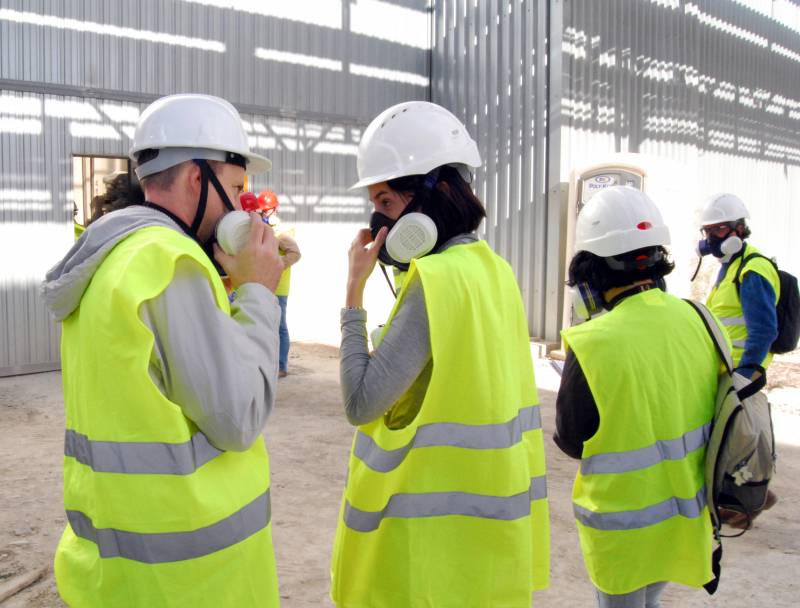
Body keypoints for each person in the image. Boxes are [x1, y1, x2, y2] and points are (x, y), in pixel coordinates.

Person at [41, 94, 284, 607]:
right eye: (237, 188)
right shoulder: (170, 263)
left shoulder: (117, 255)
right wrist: (260, 292)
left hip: (119, 563)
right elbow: (239, 415)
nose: (241, 206)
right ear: (199, 178)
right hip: (188, 580)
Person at [331, 101, 550, 607]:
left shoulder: (436, 281)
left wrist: (353, 292)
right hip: (484, 539)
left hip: (423, 549)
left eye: (386, 202)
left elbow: (359, 404)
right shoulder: (492, 269)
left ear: (433, 195)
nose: (377, 220)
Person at [555, 186, 722, 608]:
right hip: (684, 514)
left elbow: (573, 439)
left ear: (590, 274)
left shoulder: (592, 342)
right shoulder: (698, 317)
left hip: (623, 528)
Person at [698, 192, 780, 525]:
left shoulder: (753, 269)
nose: (711, 239)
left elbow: (763, 329)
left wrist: (748, 371)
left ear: (738, 229)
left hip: (740, 373)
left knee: (734, 440)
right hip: (724, 369)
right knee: (732, 437)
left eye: (718, 231)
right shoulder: (732, 267)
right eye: (708, 232)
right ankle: (754, 495)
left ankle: (743, 503)